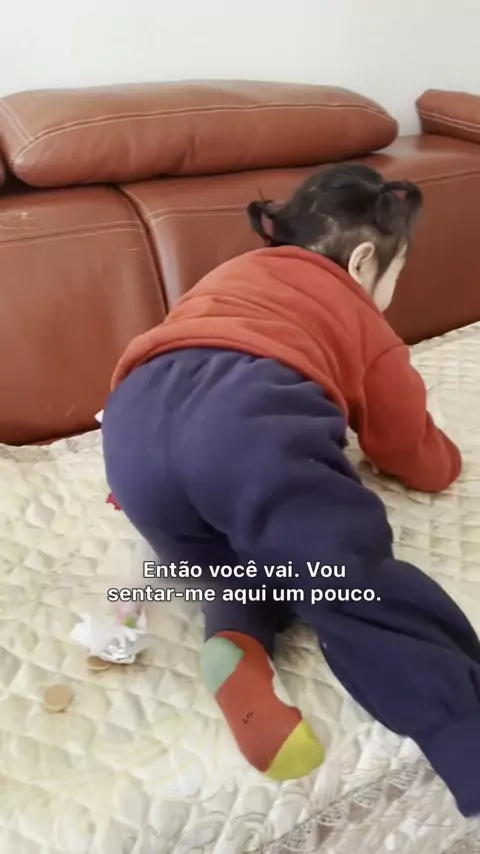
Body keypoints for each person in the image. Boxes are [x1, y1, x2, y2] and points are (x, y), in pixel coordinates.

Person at [101, 164, 480, 816]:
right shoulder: (359, 315)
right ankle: (469, 740)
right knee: (348, 584)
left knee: (239, 560)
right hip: (242, 431)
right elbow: (403, 443)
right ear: (364, 262)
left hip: (131, 434)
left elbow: (182, 359)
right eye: (397, 274)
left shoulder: (230, 275)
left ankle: (236, 633)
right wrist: (443, 462)